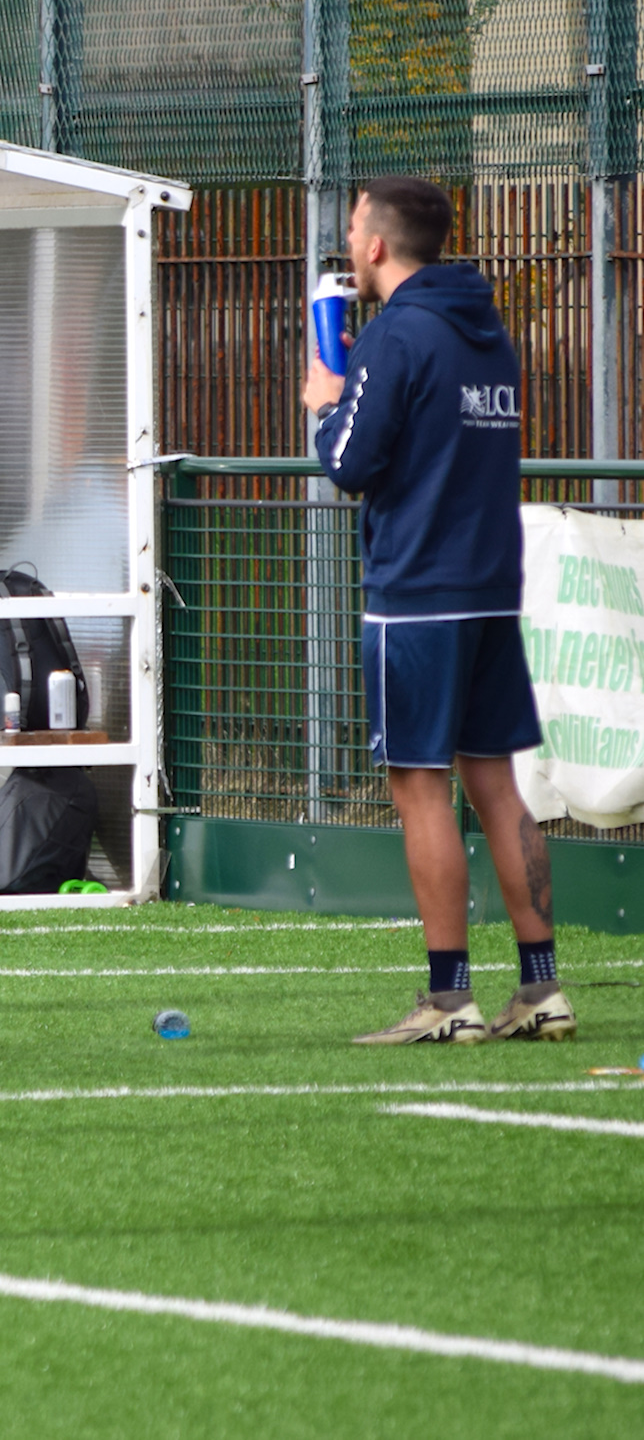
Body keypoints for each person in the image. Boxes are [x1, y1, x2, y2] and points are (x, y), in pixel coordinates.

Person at [304, 177, 572, 1046]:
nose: (349, 244)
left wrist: (326, 400)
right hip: (490, 588)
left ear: (378, 245)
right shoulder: (487, 332)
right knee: (495, 785)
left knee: (420, 788)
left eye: (354, 228)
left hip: (417, 594)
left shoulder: (396, 335)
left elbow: (350, 461)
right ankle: (542, 987)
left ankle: (450, 998)